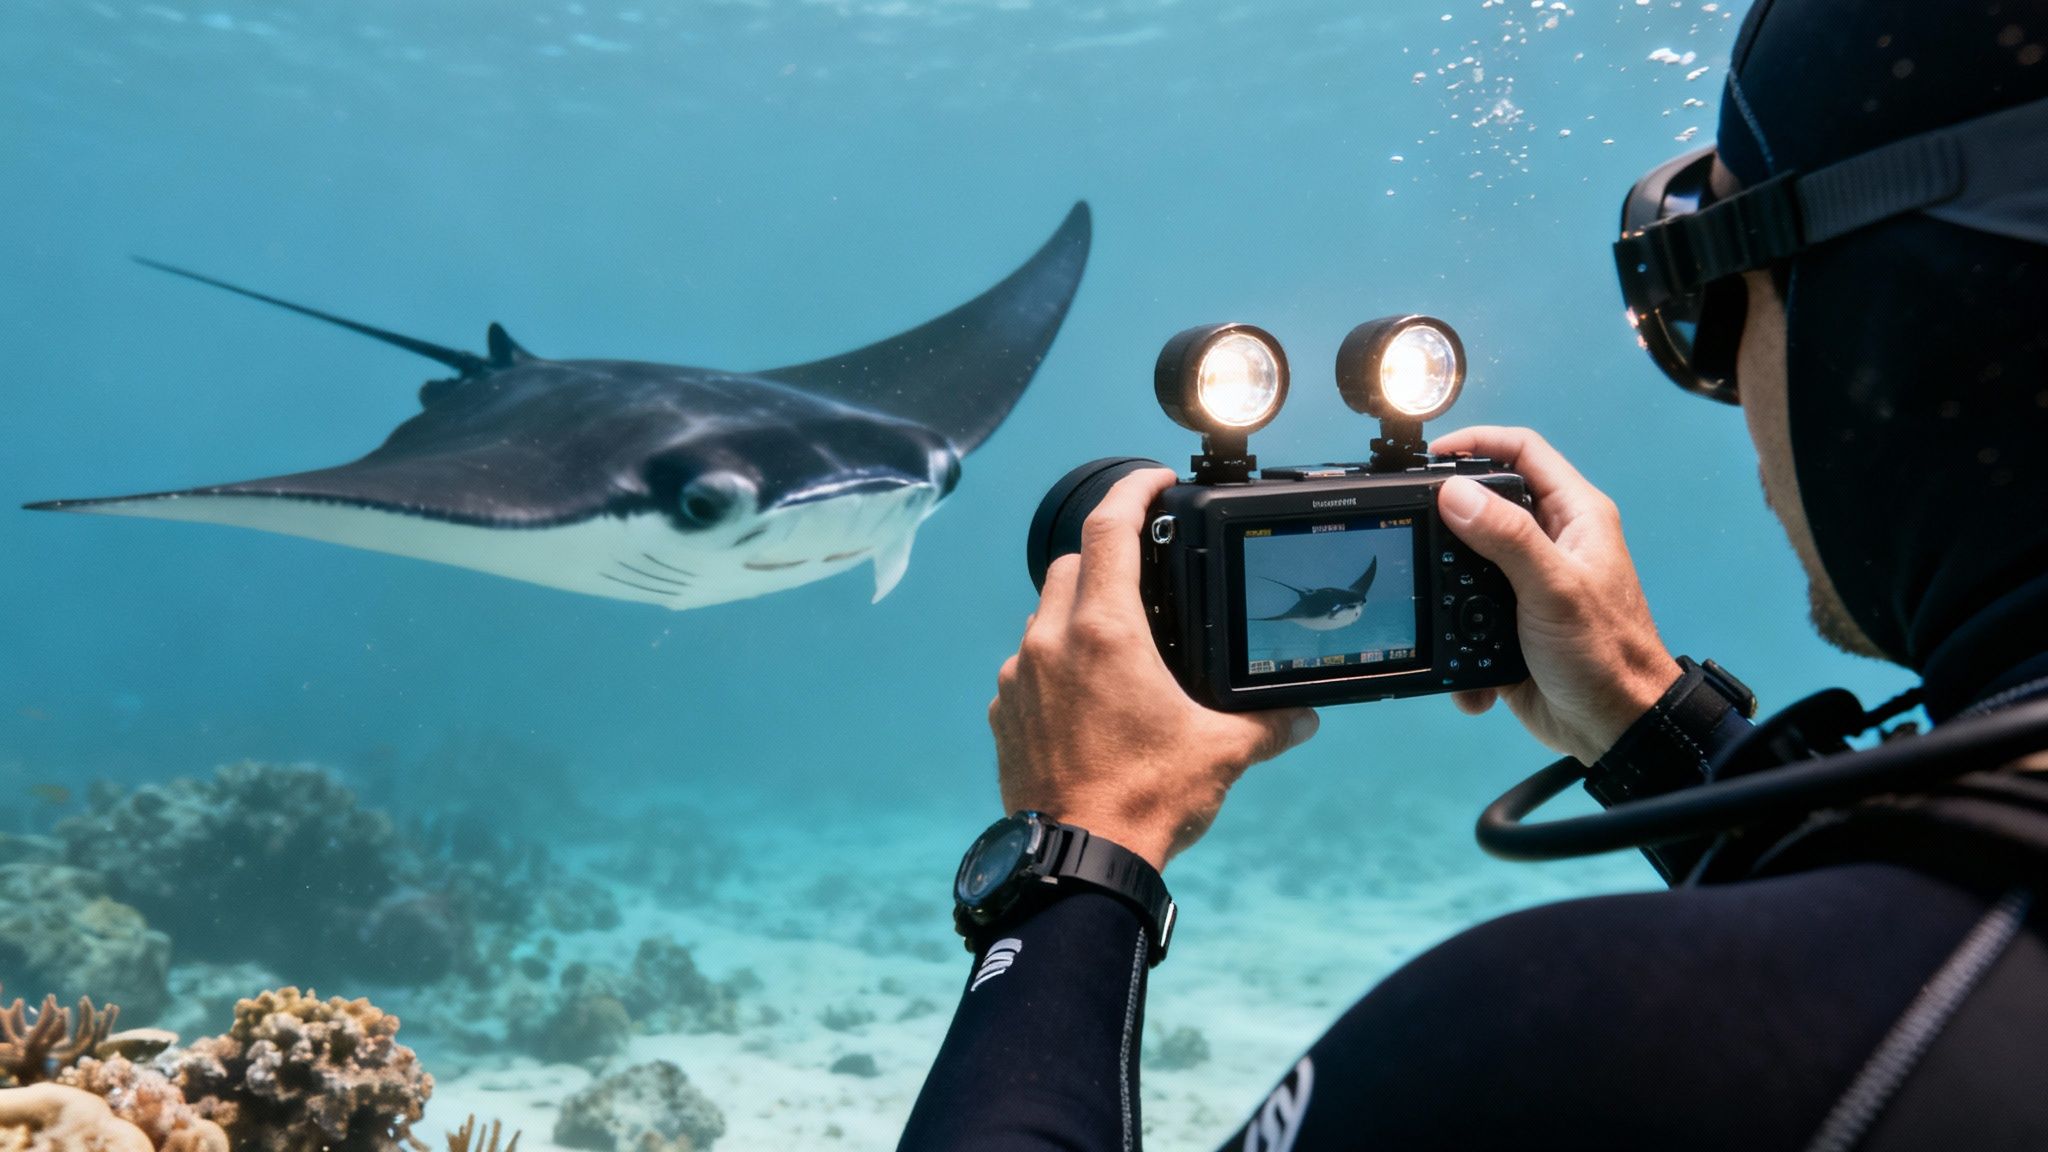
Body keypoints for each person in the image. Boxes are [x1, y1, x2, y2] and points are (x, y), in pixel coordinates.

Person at [898, 0, 2048, 1148]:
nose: (1726, 385)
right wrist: (1649, 725)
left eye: (1708, 304)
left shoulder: (1560, 1040)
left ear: (1884, 318)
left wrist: (1077, 854)